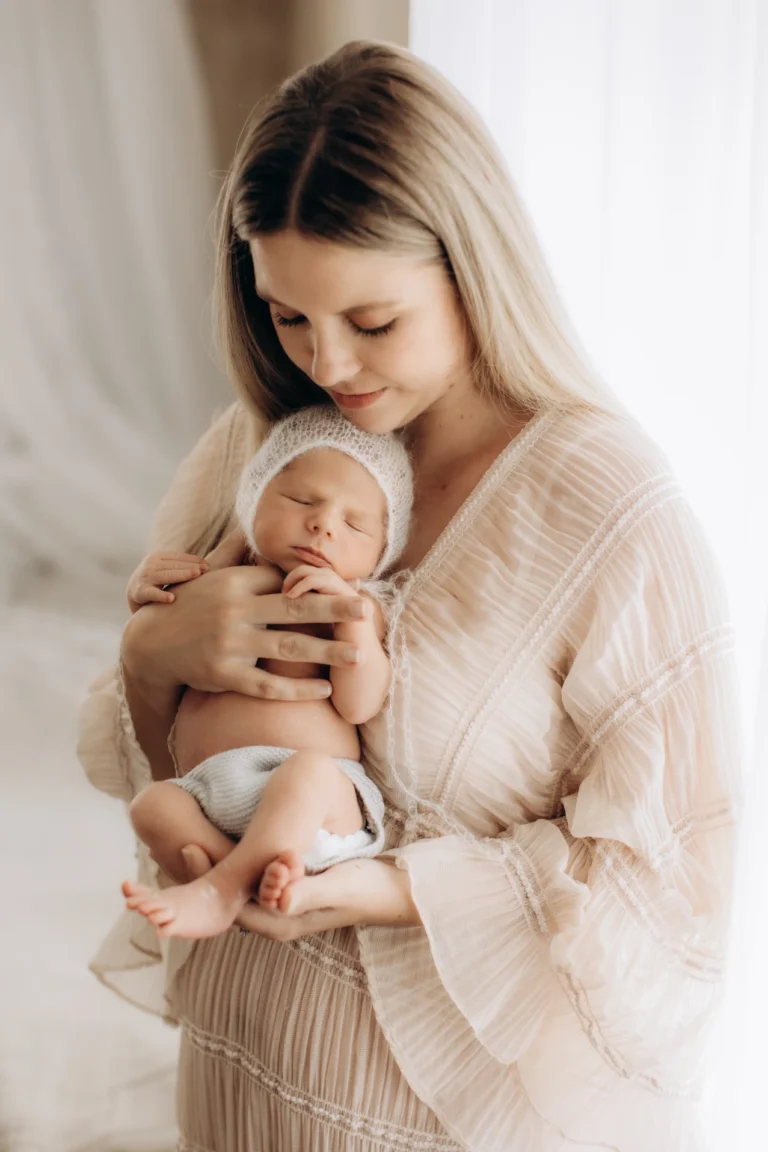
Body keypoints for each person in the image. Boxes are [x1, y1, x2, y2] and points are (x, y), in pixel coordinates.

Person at [78, 39, 740, 1152]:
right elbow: (168, 769)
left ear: (472, 266)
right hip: (239, 1077)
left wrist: (388, 888)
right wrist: (153, 663)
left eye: (371, 322)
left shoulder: (608, 510)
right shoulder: (269, 446)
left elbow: (673, 893)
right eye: (289, 316)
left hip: (420, 1121)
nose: (328, 362)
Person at [121, 406, 412, 937]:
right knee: (152, 805)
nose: (324, 523)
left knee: (308, 770)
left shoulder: (353, 607)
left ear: (379, 556)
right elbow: (160, 632)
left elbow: (360, 705)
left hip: (313, 800)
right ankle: (245, 877)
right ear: (253, 503)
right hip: (211, 793)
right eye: (302, 500)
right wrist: (147, 587)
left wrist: (351, 631)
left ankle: (222, 887)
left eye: (354, 524)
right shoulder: (214, 574)